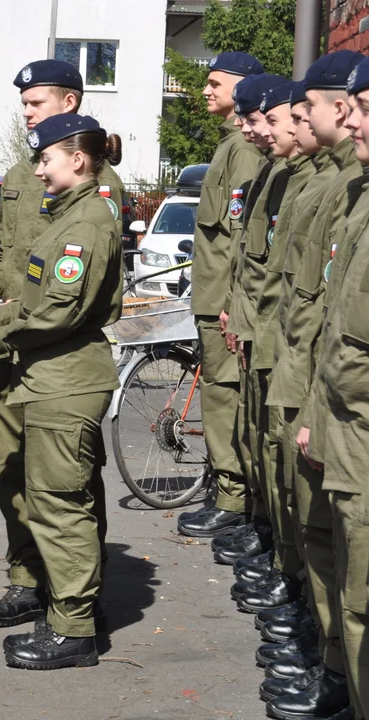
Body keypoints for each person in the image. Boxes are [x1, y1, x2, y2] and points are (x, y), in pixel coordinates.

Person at [0, 58, 125, 630]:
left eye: (36, 104)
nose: (26, 112)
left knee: (64, 481)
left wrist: (2, 325)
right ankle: (27, 579)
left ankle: (74, 592)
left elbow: (66, 295)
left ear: (70, 105)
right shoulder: (24, 175)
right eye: (24, 104)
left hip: (48, 351)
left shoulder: (94, 189)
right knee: (15, 471)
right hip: (14, 346)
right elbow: (7, 255)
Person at [263, 51, 363, 719]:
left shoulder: (342, 189)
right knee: (336, 564)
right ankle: (334, 667)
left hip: (352, 418)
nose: (353, 125)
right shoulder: (348, 191)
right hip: (332, 405)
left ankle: (335, 673)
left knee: (355, 589)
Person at [177, 52, 266, 539]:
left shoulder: (244, 150)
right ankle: (229, 489)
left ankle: (234, 499)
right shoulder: (232, 145)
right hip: (214, 298)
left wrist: (235, 303)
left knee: (227, 398)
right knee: (221, 395)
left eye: (216, 82)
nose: (207, 90)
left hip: (225, 302)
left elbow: (240, 237)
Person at [212, 72, 286, 564]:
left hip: (276, 337)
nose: (252, 128)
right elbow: (247, 254)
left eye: (261, 119)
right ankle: (273, 543)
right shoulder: (276, 171)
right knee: (258, 436)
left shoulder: (287, 174)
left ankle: (279, 553)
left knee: (276, 449)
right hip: (252, 324)